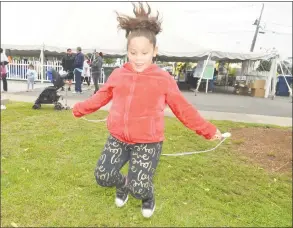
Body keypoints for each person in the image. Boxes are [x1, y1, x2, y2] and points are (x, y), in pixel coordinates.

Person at [72, 3, 222, 218]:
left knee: (140, 188)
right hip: (118, 139)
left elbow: (183, 109)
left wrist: (207, 129)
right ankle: (123, 185)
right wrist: (79, 109)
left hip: (148, 143)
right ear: (127, 51)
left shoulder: (164, 79)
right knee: (103, 176)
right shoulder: (118, 74)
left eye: (144, 52)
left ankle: (147, 196)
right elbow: (100, 96)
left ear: (154, 51)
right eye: (133, 52)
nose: (138, 58)